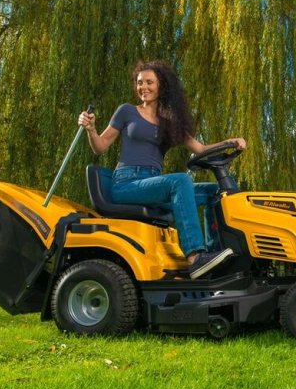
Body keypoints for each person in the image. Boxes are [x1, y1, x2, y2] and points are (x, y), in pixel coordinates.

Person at [78, 60, 247, 279]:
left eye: (149, 82)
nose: (143, 87)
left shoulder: (170, 122)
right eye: (140, 82)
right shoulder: (127, 111)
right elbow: (100, 147)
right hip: (126, 184)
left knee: (215, 191)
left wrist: (230, 142)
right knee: (181, 180)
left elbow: (200, 149)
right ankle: (195, 257)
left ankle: (213, 254)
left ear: (161, 86)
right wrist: (91, 129)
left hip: (154, 187)